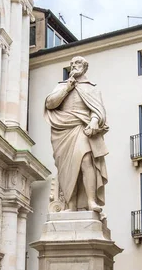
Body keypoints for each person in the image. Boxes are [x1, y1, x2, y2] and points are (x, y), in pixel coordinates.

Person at [45, 56, 109, 212]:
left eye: (78, 63)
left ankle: (91, 201)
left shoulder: (92, 88)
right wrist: (67, 88)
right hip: (63, 131)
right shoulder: (61, 86)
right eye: (72, 64)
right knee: (66, 168)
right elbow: (50, 104)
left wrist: (94, 121)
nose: (74, 65)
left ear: (85, 67)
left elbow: (98, 111)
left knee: (86, 160)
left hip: (82, 127)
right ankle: (70, 205)